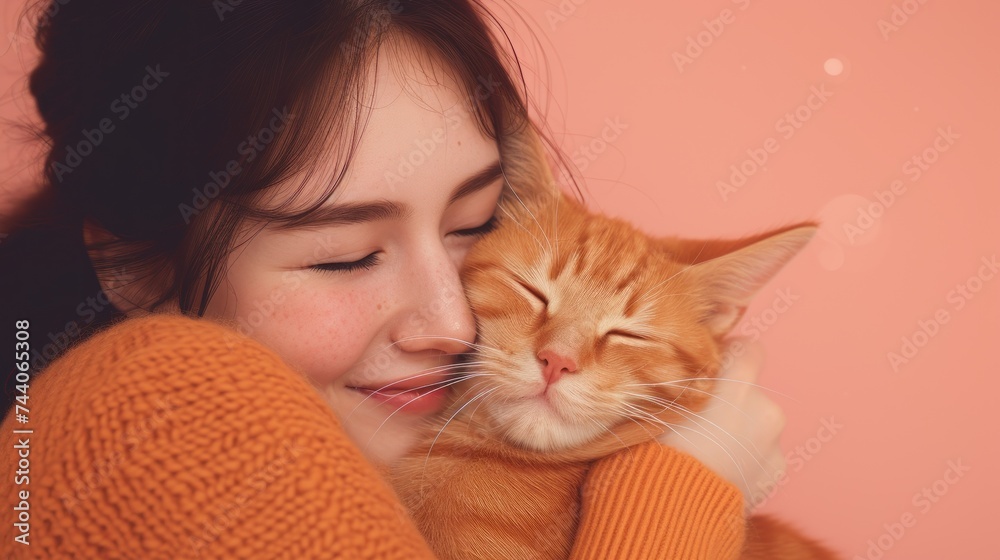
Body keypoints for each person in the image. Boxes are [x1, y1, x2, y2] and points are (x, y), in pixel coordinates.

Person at [0, 0, 787, 557]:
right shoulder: (141, 428)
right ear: (135, 266)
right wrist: (677, 504)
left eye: (474, 228)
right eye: (346, 255)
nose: (453, 322)